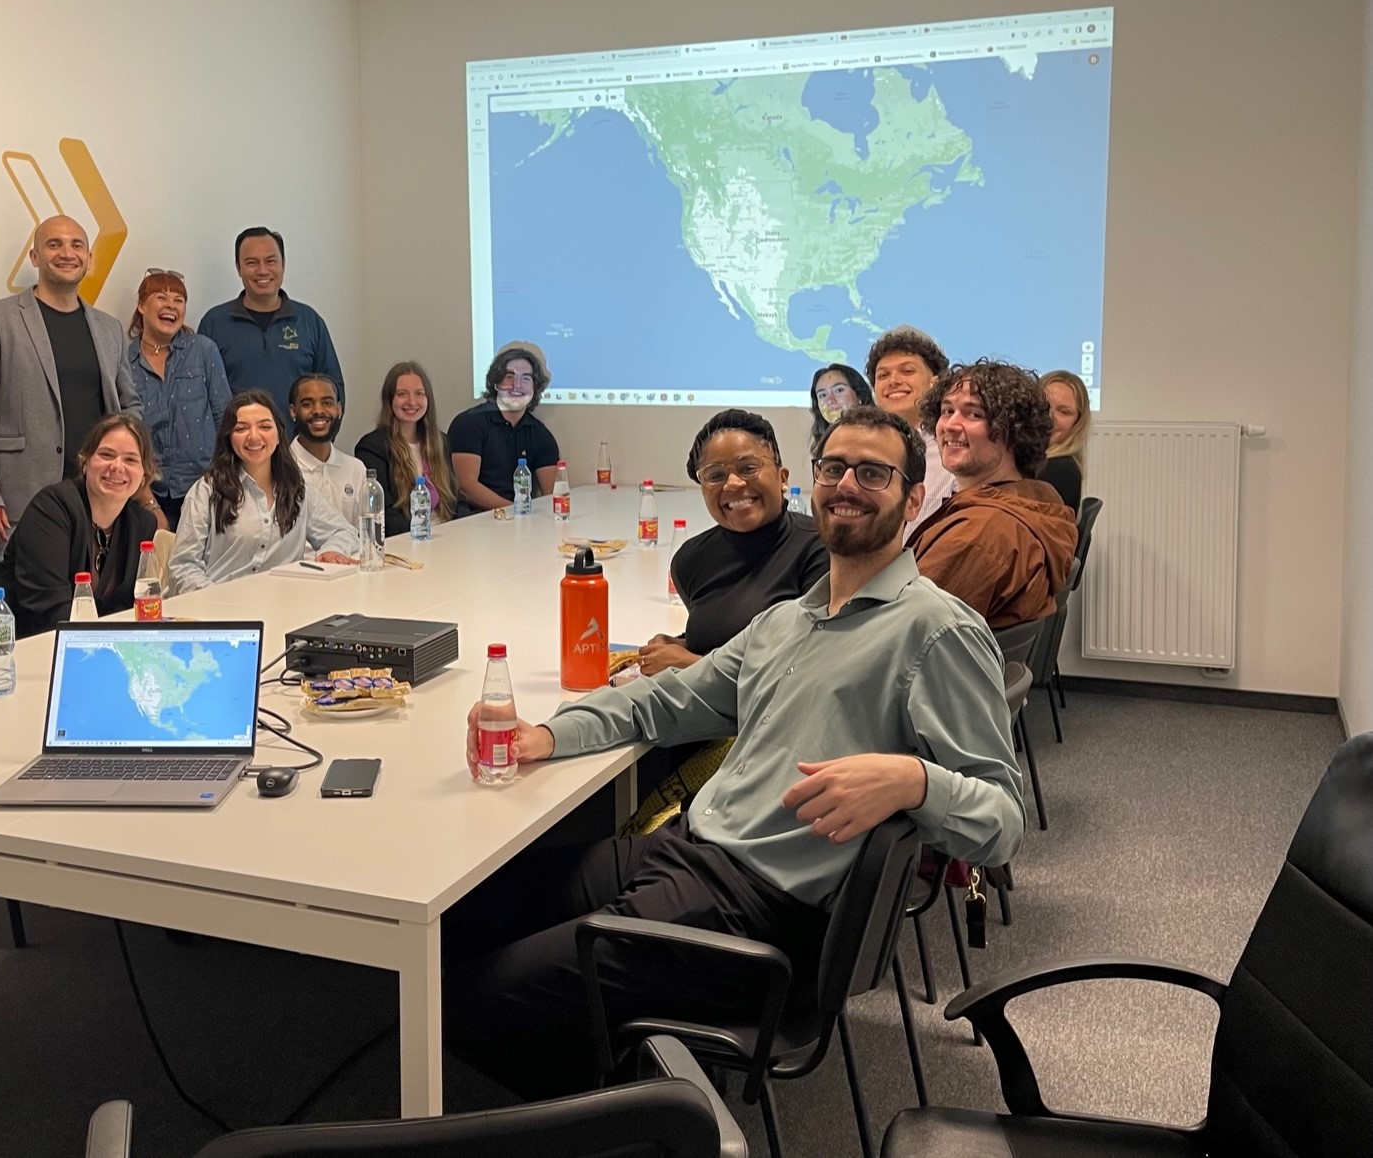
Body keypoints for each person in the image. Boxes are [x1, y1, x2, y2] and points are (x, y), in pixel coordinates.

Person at [444, 405, 1024, 1102]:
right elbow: (664, 702)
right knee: (466, 914)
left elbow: (999, 823)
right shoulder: (788, 621)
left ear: (910, 497)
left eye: (873, 472)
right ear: (810, 482)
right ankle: (603, 1067)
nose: (847, 483)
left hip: (755, 907)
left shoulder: (935, 631)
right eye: (834, 468)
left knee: (471, 1001)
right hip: (687, 851)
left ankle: (625, 1122)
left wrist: (913, 780)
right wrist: (546, 733)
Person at [0, 216, 146, 555]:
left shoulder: (109, 328)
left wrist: (132, 468)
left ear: (89, 260)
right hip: (18, 501)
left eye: (77, 245)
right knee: (23, 601)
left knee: (92, 601)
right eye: (54, 244)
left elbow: (129, 407)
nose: (66, 253)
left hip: (98, 498)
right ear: (34, 257)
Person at [642, 410, 830, 677]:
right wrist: (680, 644)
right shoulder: (690, 561)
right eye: (715, 475)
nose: (733, 483)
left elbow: (807, 670)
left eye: (748, 468)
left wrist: (689, 663)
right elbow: (723, 635)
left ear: (783, 478)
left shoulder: (819, 548)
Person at [908, 360, 1079, 629]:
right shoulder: (1037, 499)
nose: (950, 425)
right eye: (947, 410)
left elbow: (903, 633)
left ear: (1015, 432)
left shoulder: (976, 537)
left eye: (974, 414)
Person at [167, 390, 360, 594]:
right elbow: (183, 567)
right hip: (220, 608)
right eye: (241, 428)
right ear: (229, 438)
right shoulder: (206, 492)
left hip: (283, 607)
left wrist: (332, 550)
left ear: (278, 435)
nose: (254, 436)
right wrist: (217, 600)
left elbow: (345, 532)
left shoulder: (299, 491)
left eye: (265, 426)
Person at [0, 414, 160, 638]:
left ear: (144, 475)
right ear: (85, 463)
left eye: (130, 460)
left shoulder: (142, 524)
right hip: (15, 646)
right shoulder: (50, 510)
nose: (117, 467)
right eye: (106, 455)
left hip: (91, 649)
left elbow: (131, 608)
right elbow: (48, 612)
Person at [196, 227, 344, 421]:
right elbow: (200, 398)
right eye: (252, 263)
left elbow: (333, 390)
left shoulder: (309, 321)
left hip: (298, 449)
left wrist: (317, 444)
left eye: (270, 261)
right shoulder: (214, 323)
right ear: (238, 267)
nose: (262, 270)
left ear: (283, 264)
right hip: (238, 446)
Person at [127, 268, 231, 526]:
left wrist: (226, 483)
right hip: (146, 493)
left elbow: (225, 418)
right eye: (161, 297)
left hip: (205, 490)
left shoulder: (203, 351)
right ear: (141, 306)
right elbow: (121, 435)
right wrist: (149, 503)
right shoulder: (123, 359)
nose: (170, 306)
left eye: (179, 300)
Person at [448, 340, 564, 512]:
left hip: (523, 522)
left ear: (535, 387)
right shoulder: (468, 424)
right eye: (509, 377)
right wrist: (515, 510)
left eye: (525, 378)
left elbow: (552, 494)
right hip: (475, 522)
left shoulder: (541, 434)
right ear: (496, 383)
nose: (517, 385)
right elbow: (466, 487)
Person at [865, 326, 953, 539]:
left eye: (907, 371)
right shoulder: (866, 448)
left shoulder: (953, 449)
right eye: (883, 375)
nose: (893, 381)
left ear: (936, 383)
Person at [355, 361, 459, 537]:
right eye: (402, 394)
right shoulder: (372, 447)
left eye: (419, 394)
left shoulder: (440, 441)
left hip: (446, 536)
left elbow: (455, 501)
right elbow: (384, 516)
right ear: (390, 400)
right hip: (407, 540)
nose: (412, 402)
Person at [288, 373, 368, 529]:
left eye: (327, 403)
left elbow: (365, 535)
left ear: (339, 409)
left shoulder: (356, 469)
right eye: (307, 404)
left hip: (349, 553)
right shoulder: (278, 468)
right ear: (293, 411)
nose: (318, 410)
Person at [1037, 370, 1091, 512]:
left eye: (1064, 412)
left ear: (1077, 423)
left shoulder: (1059, 471)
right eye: (1044, 406)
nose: (1050, 417)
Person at [809, 362, 875, 455]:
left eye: (839, 390)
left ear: (859, 396)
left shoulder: (881, 436)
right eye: (823, 395)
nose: (830, 400)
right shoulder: (824, 447)